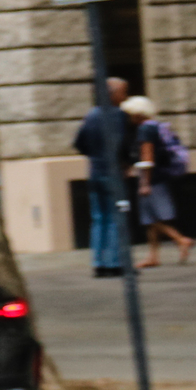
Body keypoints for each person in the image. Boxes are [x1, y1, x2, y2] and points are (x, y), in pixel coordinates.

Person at [123, 95, 193, 267]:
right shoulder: (157, 126)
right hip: (161, 176)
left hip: (152, 179)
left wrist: (145, 183)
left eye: (130, 114)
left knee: (154, 219)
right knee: (150, 219)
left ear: (137, 114)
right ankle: (153, 256)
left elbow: (147, 157)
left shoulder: (144, 130)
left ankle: (181, 240)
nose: (129, 118)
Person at [73, 76, 132, 277]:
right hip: (113, 172)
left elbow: (79, 143)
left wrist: (95, 155)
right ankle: (114, 263)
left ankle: (98, 262)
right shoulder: (119, 116)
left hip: (95, 172)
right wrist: (125, 163)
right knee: (115, 218)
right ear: (113, 94)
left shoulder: (91, 115)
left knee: (99, 219)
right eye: (123, 92)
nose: (125, 97)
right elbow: (125, 144)